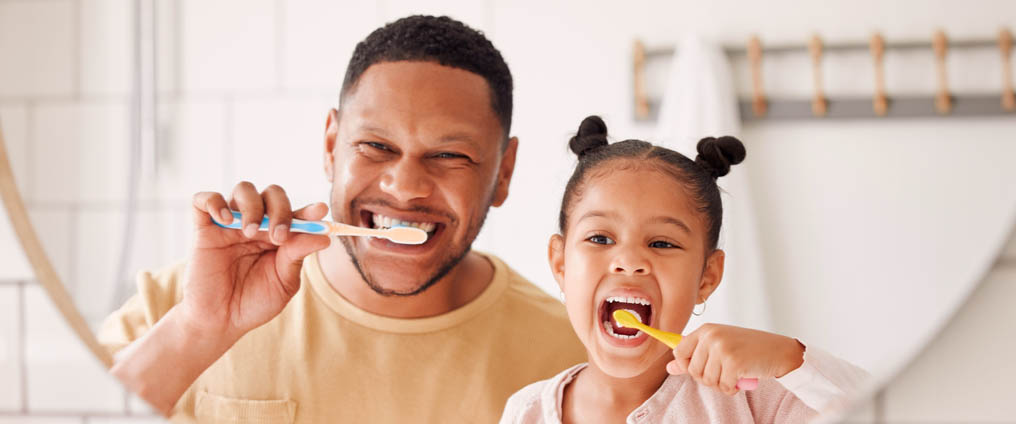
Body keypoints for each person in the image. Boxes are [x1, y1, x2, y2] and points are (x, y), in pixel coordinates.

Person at [100, 15, 586, 423]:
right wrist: (197, 331)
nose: (405, 186)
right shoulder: (174, 308)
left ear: (503, 173)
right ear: (332, 146)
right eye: (376, 146)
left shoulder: (573, 360)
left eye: (448, 154)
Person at [500, 116, 869, 423]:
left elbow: (891, 409)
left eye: (662, 243)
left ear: (707, 277)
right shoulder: (525, 412)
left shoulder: (756, 403)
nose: (629, 261)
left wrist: (788, 357)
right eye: (600, 238)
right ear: (561, 263)